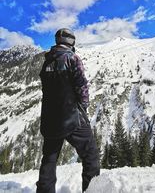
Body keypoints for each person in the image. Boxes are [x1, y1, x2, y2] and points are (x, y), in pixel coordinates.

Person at [36, 28, 100, 193]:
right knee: (90, 155)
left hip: (50, 119)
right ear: (71, 41)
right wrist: (83, 107)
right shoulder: (72, 58)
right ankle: (91, 189)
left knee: (49, 159)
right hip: (71, 117)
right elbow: (81, 87)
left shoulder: (47, 61)